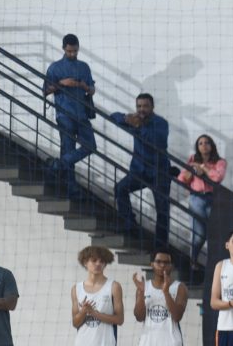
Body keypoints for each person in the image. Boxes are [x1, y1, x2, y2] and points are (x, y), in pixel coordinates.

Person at [109, 93, 171, 246]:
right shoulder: (134, 119)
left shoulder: (161, 123)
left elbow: (157, 142)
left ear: (152, 107)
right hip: (139, 170)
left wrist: (139, 126)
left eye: (145, 106)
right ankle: (130, 224)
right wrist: (125, 118)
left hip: (159, 172)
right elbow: (113, 116)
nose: (141, 109)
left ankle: (160, 246)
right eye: (139, 106)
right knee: (120, 189)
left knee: (162, 210)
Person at [43, 33, 97, 201]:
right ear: (63, 49)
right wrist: (62, 83)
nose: (72, 54)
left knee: (91, 146)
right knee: (68, 149)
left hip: (81, 113)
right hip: (64, 114)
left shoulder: (84, 67)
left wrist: (84, 86)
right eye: (69, 51)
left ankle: (57, 164)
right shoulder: (54, 68)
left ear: (78, 48)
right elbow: (45, 91)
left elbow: (92, 90)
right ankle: (71, 188)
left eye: (75, 51)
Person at [177, 134, 227, 269]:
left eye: (207, 142)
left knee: (213, 234)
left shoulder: (220, 162)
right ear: (197, 147)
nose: (204, 145)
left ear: (212, 145)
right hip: (197, 198)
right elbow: (181, 179)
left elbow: (217, 177)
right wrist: (193, 170)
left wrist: (203, 167)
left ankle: (213, 266)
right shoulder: (192, 160)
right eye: (200, 143)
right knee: (199, 235)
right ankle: (193, 260)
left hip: (213, 198)